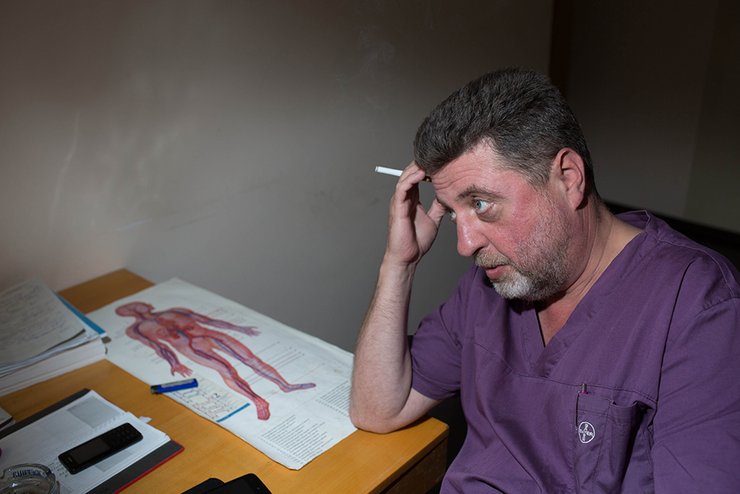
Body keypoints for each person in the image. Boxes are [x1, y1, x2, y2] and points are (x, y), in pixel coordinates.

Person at [349, 67, 740, 492]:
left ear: (568, 178)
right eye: (453, 212)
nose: (464, 245)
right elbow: (378, 409)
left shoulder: (697, 304)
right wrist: (399, 263)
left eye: (481, 204)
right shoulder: (489, 287)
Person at [116, 301, 315, 420]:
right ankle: (257, 400)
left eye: (134, 305)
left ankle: (285, 386)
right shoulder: (136, 330)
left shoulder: (176, 310)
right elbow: (159, 347)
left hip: (210, 335)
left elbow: (208, 321)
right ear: (126, 314)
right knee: (227, 370)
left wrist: (237, 328)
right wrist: (174, 363)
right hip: (192, 348)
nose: (134, 309)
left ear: (146, 304)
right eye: (128, 309)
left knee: (251, 359)